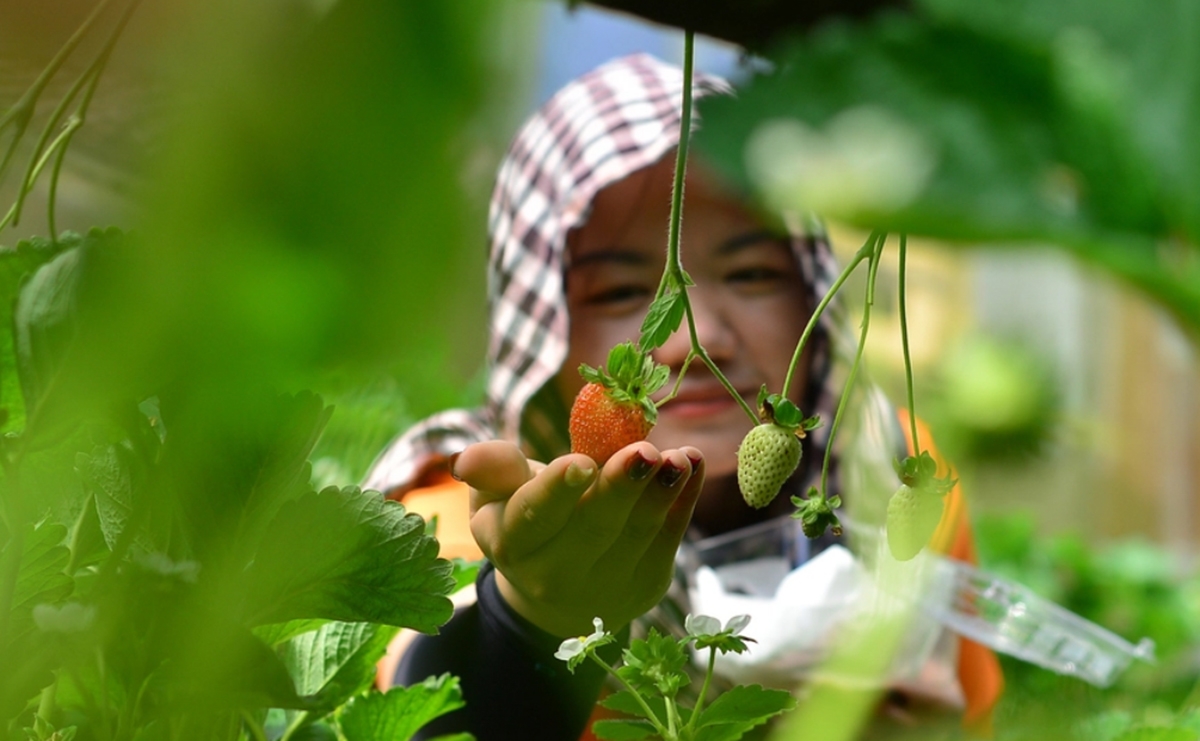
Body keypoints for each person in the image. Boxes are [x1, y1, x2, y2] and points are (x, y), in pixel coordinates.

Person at [364, 53, 1003, 740]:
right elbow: (421, 714)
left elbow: (973, 711)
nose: (693, 342)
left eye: (753, 272)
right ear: (537, 322)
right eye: (618, 290)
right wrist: (524, 617)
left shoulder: (896, 468)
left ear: (813, 289)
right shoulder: (470, 505)